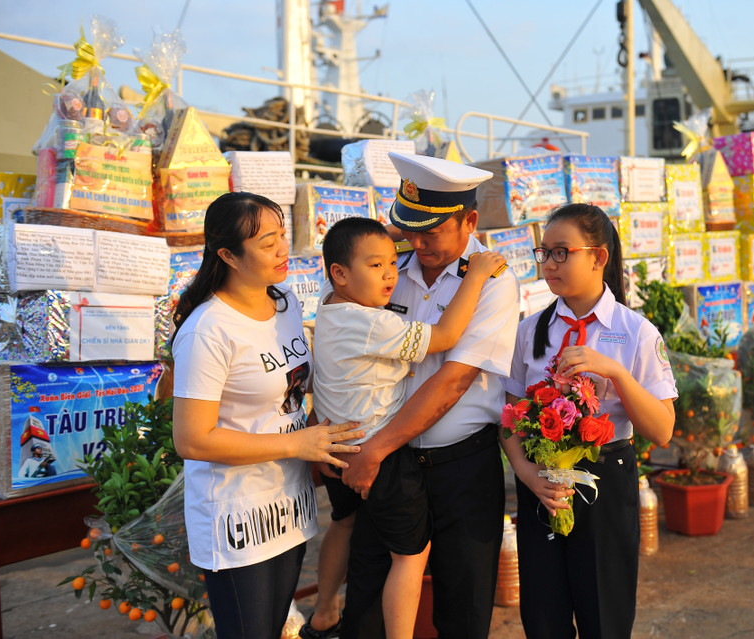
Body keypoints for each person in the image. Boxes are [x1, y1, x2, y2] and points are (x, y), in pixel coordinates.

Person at [339, 152, 520, 639]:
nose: (417, 243)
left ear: (470, 221)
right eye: (408, 228)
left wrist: (374, 449)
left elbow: (453, 381)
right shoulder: (390, 268)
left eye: (431, 231)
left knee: (462, 609)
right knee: (368, 602)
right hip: (392, 467)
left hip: (459, 467)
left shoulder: (494, 281)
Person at [170, 192, 364, 639]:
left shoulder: (285, 303)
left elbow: (295, 383)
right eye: (266, 242)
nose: (282, 249)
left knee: (275, 626)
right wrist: (298, 444)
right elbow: (192, 439)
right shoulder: (208, 329)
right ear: (227, 255)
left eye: (282, 235)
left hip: (288, 504)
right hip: (237, 514)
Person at [307, 217, 505, 638]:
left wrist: (385, 240)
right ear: (340, 273)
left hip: (341, 446)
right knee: (409, 555)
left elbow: (351, 254)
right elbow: (448, 333)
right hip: (378, 454)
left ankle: (324, 610)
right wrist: (479, 272)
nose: (390, 272)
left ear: (469, 221)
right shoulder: (371, 321)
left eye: (391, 263)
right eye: (377, 265)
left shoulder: (329, 303)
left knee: (344, 524)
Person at [500, 203, 677, 638]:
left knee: (605, 615)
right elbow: (507, 417)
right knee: (543, 616)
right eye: (545, 253)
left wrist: (614, 371)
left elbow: (662, 429)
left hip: (606, 478)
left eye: (563, 252)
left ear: (598, 257)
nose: (550, 264)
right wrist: (526, 474)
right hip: (542, 484)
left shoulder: (636, 332)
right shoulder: (530, 331)